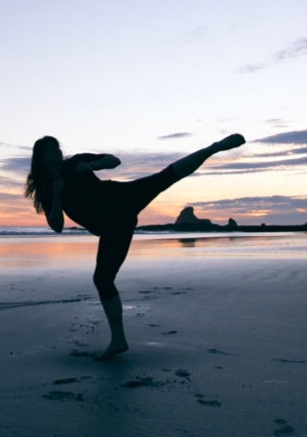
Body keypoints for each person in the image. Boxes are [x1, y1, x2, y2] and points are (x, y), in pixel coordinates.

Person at [24, 133, 246, 360]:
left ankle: (215, 147)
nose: (57, 151)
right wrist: (57, 196)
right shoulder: (46, 188)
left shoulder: (76, 162)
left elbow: (114, 160)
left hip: (122, 197)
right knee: (102, 279)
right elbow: (57, 226)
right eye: (50, 149)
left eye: (57, 147)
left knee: (165, 177)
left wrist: (90, 166)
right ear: (41, 157)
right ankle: (118, 340)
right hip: (114, 226)